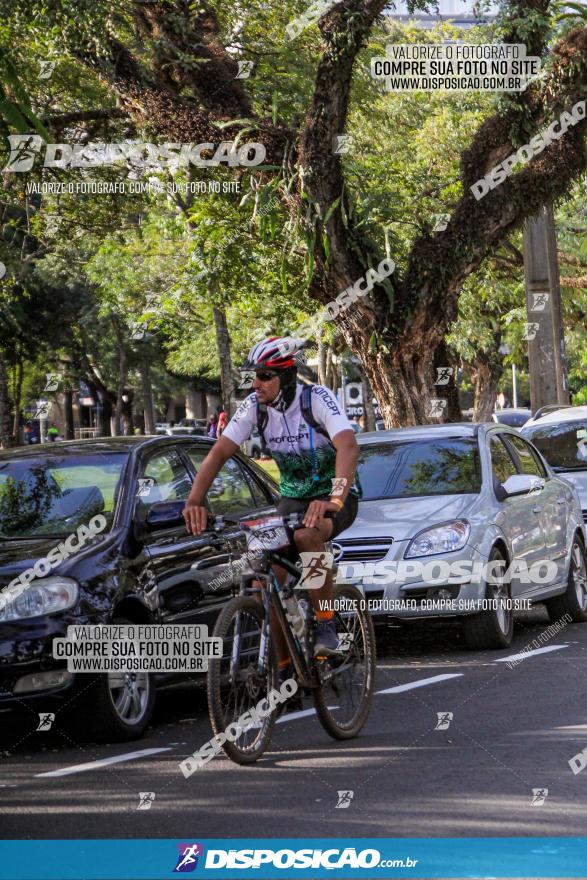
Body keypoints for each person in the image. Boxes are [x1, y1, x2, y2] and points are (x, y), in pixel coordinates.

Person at [183, 335, 360, 667]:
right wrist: (195, 499)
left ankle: (326, 622)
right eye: (255, 375)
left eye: (265, 375)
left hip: (335, 494)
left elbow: (348, 447)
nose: (257, 383)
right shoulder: (254, 406)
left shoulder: (316, 399)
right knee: (269, 576)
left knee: (308, 535)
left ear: (287, 375)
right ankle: (284, 670)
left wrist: (334, 500)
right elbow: (220, 451)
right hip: (293, 498)